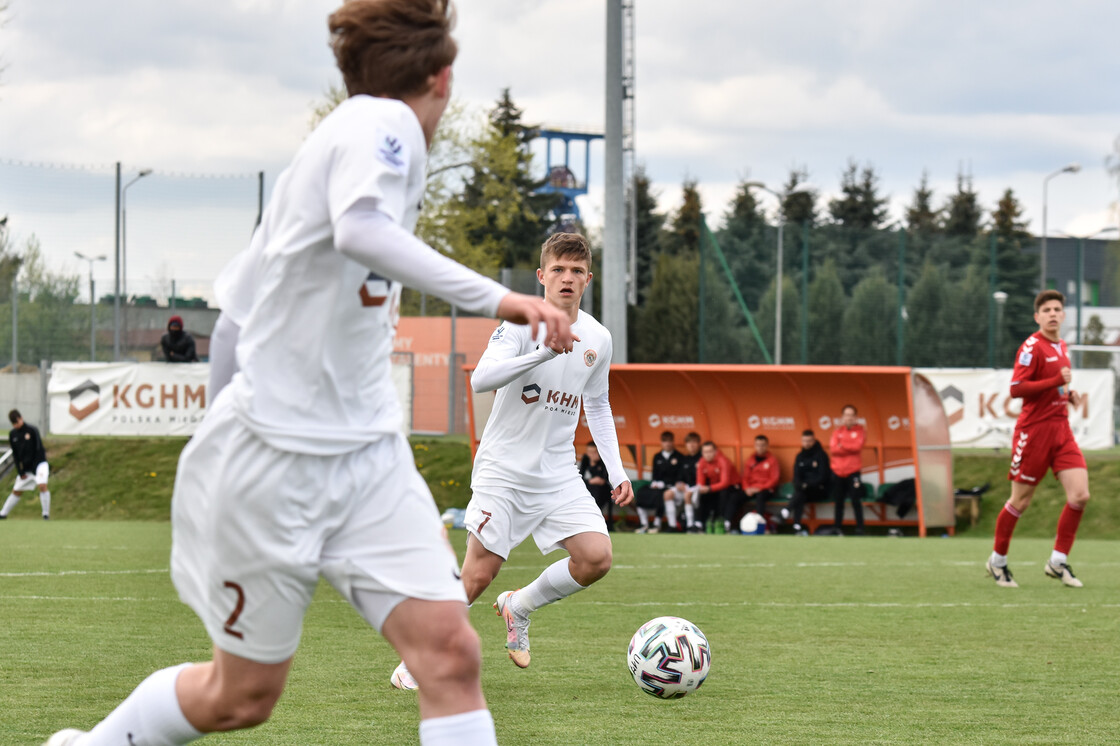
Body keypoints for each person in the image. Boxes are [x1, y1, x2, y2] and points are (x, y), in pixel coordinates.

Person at [44, 3, 578, 744]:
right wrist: (502, 299)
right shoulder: (380, 126)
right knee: (241, 696)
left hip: (367, 459)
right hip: (280, 462)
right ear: (443, 78)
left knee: (450, 655)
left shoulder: (340, 142)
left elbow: (236, 321)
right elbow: (360, 230)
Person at [390, 231, 633, 691]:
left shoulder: (598, 338)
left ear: (588, 280)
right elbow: (483, 378)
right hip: (504, 469)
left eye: (576, 271)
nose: (567, 278)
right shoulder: (521, 324)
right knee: (478, 574)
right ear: (541, 277)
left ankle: (519, 606)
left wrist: (617, 470)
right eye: (558, 270)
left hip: (558, 473)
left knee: (596, 558)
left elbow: (596, 405)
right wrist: (542, 352)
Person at [987, 289, 1089, 589]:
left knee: (1080, 496)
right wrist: (1057, 382)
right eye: (1047, 310)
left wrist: (1066, 394)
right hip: (1034, 433)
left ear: (1064, 314)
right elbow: (1017, 388)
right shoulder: (1031, 347)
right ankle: (998, 561)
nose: (1053, 314)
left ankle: (1057, 562)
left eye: (1057, 309)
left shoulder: (1062, 345)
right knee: (1021, 500)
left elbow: (1051, 387)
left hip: (1061, 430)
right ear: (1037, 316)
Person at [0, 410, 50, 520]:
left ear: (21, 418)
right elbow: (16, 455)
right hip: (26, 469)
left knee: (42, 485)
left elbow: (38, 449)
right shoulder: (12, 434)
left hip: (39, 464)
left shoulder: (32, 430)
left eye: (17, 422)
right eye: (13, 424)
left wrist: (35, 467)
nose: (16, 425)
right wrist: (20, 471)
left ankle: (45, 514)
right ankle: (3, 513)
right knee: (17, 490)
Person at [782, 429, 830, 535]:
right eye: (804, 441)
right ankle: (796, 526)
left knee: (800, 494)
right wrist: (800, 485)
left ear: (813, 441)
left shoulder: (821, 455)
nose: (807, 443)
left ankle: (787, 511)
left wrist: (807, 485)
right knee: (800, 494)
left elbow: (823, 477)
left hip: (819, 490)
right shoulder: (800, 456)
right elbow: (796, 476)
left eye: (809, 441)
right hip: (803, 491)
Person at [829, 404, 866, 535]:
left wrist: (842, 445)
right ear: (842, 417)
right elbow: (833, 449)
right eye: (846, 415)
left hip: (853, 471)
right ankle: (837, 528)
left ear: (856, 417)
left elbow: (857, 447)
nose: (849, 418)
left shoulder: (861, 430)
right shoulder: (837, 432)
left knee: (856, 500)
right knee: (838, 501)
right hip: (838, 471)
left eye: (851, 415)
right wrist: (847, 445)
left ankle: (860, 528)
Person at [635, 430, 681, 533]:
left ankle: (658, 523)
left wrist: (665, 484)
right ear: (661, 442)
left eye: (670, 441)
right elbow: (655, 475)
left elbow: (679, 477)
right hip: (658, 485)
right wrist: (655, 483)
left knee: (663, 495)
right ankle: (644, 524)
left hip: (670, 486)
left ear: (673, 442)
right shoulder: (657, 456)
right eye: (665, 441)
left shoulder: (679, 456)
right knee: (641, 492)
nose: (667, 443)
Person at [695, 441, 742, 534]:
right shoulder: (701, 462)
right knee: (700, 494)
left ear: (715, 452)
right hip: (715, 487)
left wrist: (709, 488)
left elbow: (725, 483)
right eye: (705, 452)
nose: (707, 454)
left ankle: (724, 523)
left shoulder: (723, 461)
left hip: (732, 487)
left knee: (724, 494)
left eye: (710, 451)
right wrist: (702, 488)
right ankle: (699, 524)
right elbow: (700, 481)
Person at [742, 434, 780, 523]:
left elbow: (774, 479)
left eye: (763, 445)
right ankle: (729, 524)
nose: (760, 447)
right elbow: (745, 477)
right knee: (735, 497)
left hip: (766, 489)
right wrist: (746, 488)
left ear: (767, 446)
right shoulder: (750, 459)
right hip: (751, 489)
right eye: (758, 445)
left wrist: (759, 488)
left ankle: (759, 524)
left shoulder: (772, 460)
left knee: (761, 496)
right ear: (754, 446)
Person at [670, 432, 703, 532]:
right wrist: (679, 483)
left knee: (687, 495)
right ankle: (672, 525)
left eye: (694, 442)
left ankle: (690, 525)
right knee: (668, 494)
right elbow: (679, 477)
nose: (691, 445)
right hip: (686, 488)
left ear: (698, 444)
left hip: (698, 488)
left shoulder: (702, 458)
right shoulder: (684, 459)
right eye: (689, 442)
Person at [579, 442, 613, 530]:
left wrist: (594, 465)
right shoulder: (585, 459)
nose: (591, 454)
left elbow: (603, 479)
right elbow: (580, 476)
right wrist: (590, 480)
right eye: (589, 452)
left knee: (597, 491)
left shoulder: (604, 459)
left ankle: (595, 521)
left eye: (594, 452)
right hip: (589, 487)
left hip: (604, 489)